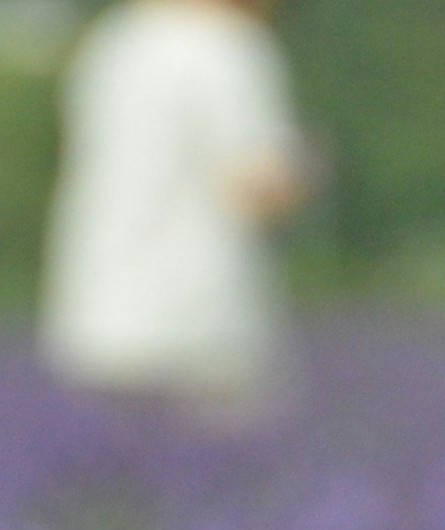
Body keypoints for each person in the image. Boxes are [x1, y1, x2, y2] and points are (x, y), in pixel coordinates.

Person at [40, 0, 317, 417]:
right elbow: (255, 186)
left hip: (99, 313)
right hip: (202, 323)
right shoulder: (228, 47)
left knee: (107, 474)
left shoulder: (114, 40)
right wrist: (305, 172)